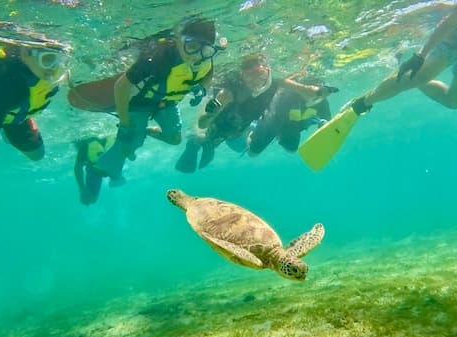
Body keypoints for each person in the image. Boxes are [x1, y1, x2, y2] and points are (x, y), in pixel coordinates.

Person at [93, 16, 222, 180]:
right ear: (178, 41)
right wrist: (125, 124)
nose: (197, 56)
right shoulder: (157, 59)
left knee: (175, 139)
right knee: (129, 146)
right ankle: (106, 163)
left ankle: (142, 131)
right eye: (191, 46)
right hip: (140, 102)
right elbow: (121, 87)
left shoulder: (205, 61)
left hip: (167, 102)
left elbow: (208, 74)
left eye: (206, 51)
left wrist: (202, 89)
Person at [175, 53, 335, 172]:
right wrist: (211, 113)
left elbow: (307, 91)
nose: (256, 81)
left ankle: (203, 146)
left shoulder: (278, 83)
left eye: (261, 74)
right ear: (242, 77)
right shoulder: (228, 93)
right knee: (206, 139)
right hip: (223, 126)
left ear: (268, 71)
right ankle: (194, 144)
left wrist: (322, 91)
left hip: (241, 127)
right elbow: (203, 123)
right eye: (250, 77)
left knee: (231, 142)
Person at [73, 136, 117, 205]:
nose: (105, 176)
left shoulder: (112, 145)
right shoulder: (86, 147)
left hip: (96, 165)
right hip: (94, 165)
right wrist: (82, 189)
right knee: (91, 198)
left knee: (92, 198)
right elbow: (77, 168)